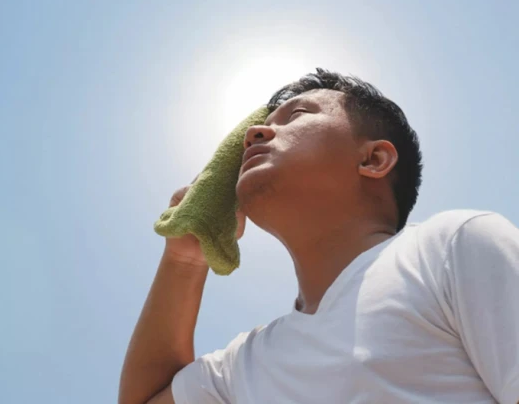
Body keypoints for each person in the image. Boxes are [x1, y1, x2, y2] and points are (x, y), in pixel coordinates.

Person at [118, 69, 519, 404]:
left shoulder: (451, 247)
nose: (254, 132)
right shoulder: (246, 364)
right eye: (261, 126)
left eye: (296, 115)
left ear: (373, 159)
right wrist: (184, 259)